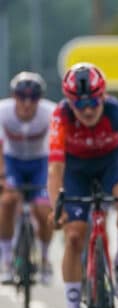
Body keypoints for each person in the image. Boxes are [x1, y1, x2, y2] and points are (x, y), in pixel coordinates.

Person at [48, 63, 118, 308]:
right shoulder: (61, 116)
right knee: (75, 235)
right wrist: (57, 207)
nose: (87, 109)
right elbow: (55, 169)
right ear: (68, 101)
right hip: (75, 170)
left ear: (103, 96)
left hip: (109, 165)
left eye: (93, 102)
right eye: (79, 103)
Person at [0, 72, 56, 284]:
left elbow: (57, 149)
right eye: (21, 97)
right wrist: (3, 177)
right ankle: (6, 261)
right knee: (6, 202)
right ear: (13, 97)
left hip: (40, 162)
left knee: (44, 211)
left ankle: (44, 257)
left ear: (39, 99)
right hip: (12, 161)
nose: (26, 103)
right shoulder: (3, 111)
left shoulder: (50, 112)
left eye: (33, 98)